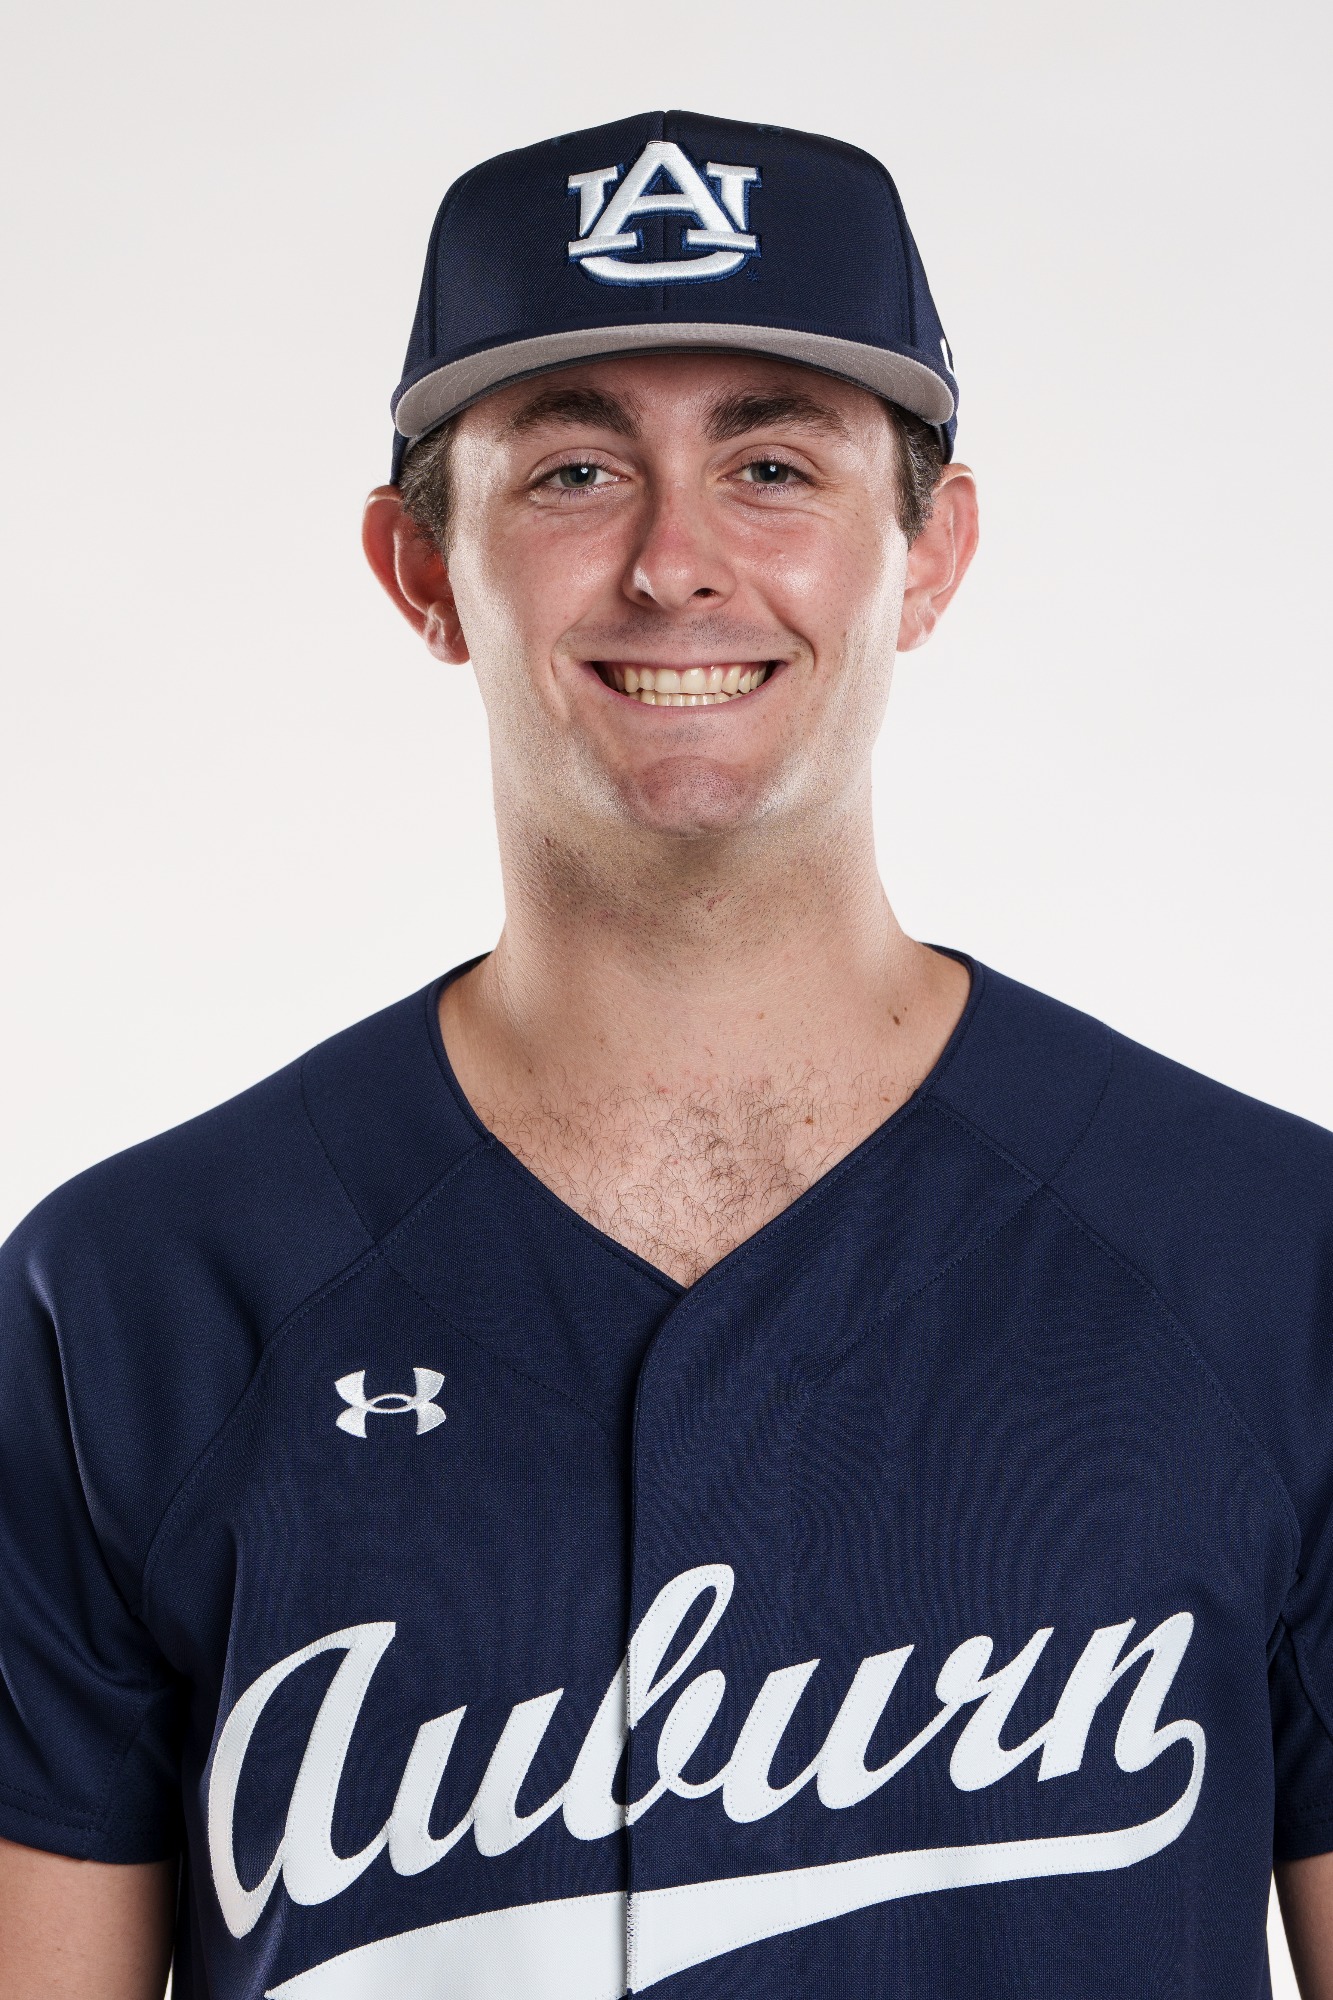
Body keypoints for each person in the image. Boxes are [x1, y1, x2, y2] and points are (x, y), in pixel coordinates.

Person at [1, 106, 1331, 2000]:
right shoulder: (129, 1305)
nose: (675, 562)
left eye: (774, 463)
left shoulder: (1272, 1265)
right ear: (420, 572)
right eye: (568, 476)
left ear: (929, 552)